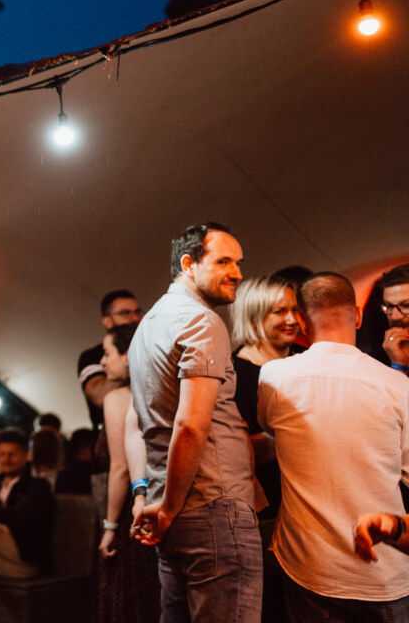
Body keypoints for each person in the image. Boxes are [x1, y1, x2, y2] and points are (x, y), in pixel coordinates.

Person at [128, 222, 261, 623]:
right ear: (188, 264)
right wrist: (166, 507)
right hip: (211, 507)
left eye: (238, 263)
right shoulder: (201, 322)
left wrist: (158, 504)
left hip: (174, 513)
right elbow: (190, 426)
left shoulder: (146, 326)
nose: (237, 272)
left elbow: (142, 424)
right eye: (223, 261)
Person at [259, 272, 409, 619]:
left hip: (309, 566)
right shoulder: (396, 385)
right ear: (357, 315)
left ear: (300, 321)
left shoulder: (274, 377)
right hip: (385, 571)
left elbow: (269, 425)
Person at [96, 322, 160, 623]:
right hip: (160, 507)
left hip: (130, 513)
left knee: (131, 601)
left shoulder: (117, 398)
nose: (102, 362)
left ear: (127, 354)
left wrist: (109, 528)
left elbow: (120, 468)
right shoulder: (164, 389)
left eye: (107, 352)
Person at [229, 274, 300, 518]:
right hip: (272, 504)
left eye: (295, 309)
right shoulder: (235, 375)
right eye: (279, 312)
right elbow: (239, 449)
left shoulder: (307, 358)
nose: (292, 319)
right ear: (255, 318)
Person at [0, 428, 55, 580]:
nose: (6, 459)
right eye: (2, 454)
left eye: (12, 454)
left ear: (26, 456)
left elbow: (19, 516)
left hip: (23, 557)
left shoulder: (37, 487)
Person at [77, 290, 143, 430]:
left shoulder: (152, 347)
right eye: (125, 313)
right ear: (107, 321)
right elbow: (100, 396)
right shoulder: (92, 356)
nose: (134, 318)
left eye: (137, 312)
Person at [379, 263, 409, 369]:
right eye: (389, 306)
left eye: (406, 305)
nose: (394, 317)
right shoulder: (377, 360)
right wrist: (399, 365)